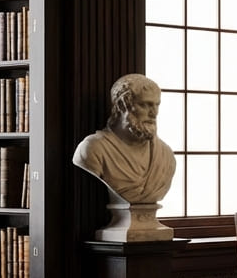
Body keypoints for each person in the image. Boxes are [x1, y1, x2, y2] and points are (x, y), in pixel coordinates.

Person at [72, 73, 177, 204]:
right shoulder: (93, 149)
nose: (154, 113)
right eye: (145, 105)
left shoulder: (165, 156)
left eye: (156, 105)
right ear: (122, 105)